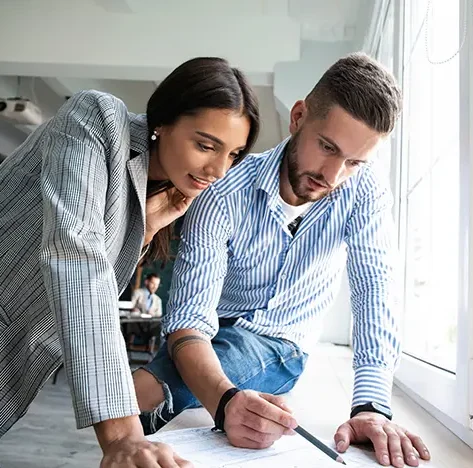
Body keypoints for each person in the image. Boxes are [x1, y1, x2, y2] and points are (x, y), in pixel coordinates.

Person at [133, 53, 431, 468]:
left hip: (281, 344)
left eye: (354, 162)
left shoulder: (363, 189)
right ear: (297, 117)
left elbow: (374, 289)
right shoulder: (222, 188)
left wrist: (371, 407)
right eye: (327, 147)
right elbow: (189, 320)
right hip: (207, 332)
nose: (334, 174)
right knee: (151, 389)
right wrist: (223, 401)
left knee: (140, 393)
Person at [0, 57, 259, 467]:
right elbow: (77, 257)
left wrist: (150, 226)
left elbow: (100, 271)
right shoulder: (96, 119)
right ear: (164, 122)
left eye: (234, 154)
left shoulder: (154, 197)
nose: (218, 170)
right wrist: (123, 432)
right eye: (206, 145)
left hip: (17, 363)